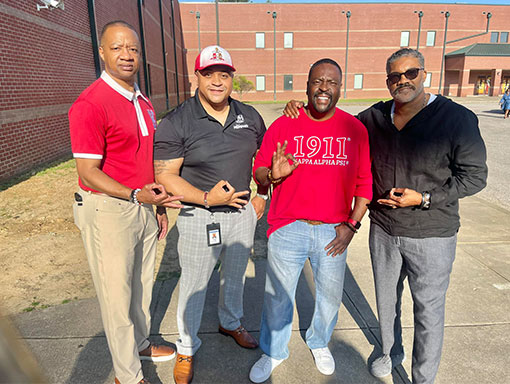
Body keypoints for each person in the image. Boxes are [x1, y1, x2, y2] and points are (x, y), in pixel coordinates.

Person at [284, 48, 488, 384]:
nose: (403, 81)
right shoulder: (373, 118)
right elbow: (335, 125)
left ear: (424, 74)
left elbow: (474, 177)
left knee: (428, 312)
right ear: (387, 80)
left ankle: (423, 377)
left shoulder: (456, 119)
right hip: (384, 230)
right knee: (387, 303)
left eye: (411, 73)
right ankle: (389, 353)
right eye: (395, 76)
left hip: (433, 233)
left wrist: (423, 198)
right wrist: (301, 109)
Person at [69, 21, 183, 384]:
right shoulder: (90, 103)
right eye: (116, 48)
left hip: (142, 205)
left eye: (132, 48)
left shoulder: (142, 99)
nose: (127, 55)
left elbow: (145, 157)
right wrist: (134, 194)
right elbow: (88, 172)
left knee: (140, 286)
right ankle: (127, 375)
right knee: (116, 297)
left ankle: (140, 342)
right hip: (108, 209)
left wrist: (157, 205)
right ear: (101, 52)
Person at [249, 59, 372, 384]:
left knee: (330, 296)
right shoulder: (284, 124)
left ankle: (318, 341)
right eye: (317, 81)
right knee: (278, 296)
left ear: (340, 88)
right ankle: (273, 351)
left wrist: (352, 225)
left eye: (331, 82)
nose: (323, 88)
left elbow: (364, 184)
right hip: (286, 227)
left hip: (334, 231)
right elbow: (259, 169)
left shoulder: (354, 129)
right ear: (306, 85)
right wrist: (272, 175)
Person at [153, 45, 268, 384]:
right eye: (209, 73)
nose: (217, 81)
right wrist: (205, 197)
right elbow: (165, 175)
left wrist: (262, 193)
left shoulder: (249, 115)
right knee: (194, 283)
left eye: (224, 74)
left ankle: (230, 322)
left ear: (231, 77)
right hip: (198, 216)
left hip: (241, 214)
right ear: (197, 76)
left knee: (234, 276)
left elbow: (263, 160)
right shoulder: (178, 120)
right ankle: (186, 347)